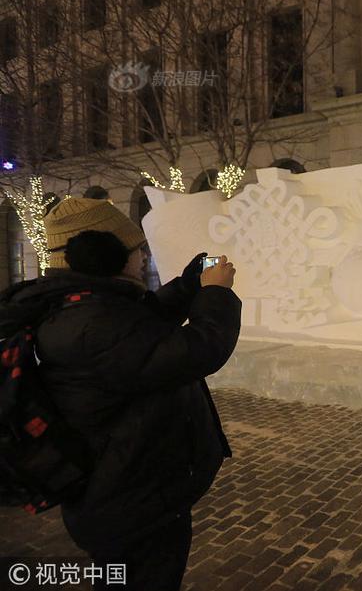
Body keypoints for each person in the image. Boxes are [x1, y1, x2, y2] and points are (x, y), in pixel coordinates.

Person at [2, 198, 241, 590]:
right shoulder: (92, 323)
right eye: (136, 249)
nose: (144, 257)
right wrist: (216, 294)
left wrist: (188, 283)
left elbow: (141, 326)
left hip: (127, 491)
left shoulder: (83, 306)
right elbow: (197, 350)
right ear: (106, 255)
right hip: (132, 505)